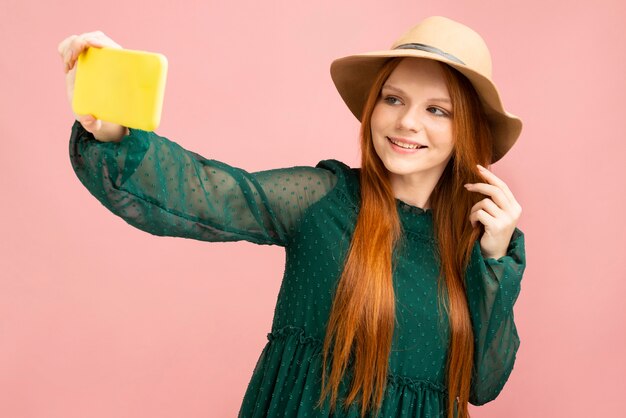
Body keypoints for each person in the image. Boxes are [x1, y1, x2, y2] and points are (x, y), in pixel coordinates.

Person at [57, 16, 526, 418]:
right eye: (393, 99)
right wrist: (112, 124)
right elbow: (206, 192)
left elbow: (482, 384)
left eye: (436, 109)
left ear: (465, 128)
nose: (407, 122)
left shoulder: (478, 246)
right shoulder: (323, 199)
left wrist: (494, 258)